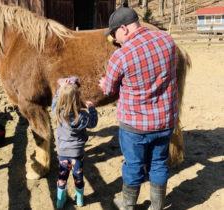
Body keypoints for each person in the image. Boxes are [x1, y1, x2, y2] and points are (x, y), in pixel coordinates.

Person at [99, 7, 178, 210]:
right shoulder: (167, 40)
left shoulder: (121, 55)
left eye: (114, 34)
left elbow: (108, 90)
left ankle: (128, 205)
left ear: (124, 28)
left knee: (133, 165)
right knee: (159, 162)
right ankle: (157, 206)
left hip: (135, 125)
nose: (115, 39)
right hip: (165, 119)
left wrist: (103, 83)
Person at [52, 77, 98, 208]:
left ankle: (60, 201)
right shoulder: (81, 116)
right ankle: (80, 200)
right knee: (78, 175)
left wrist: (60, 89)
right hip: (77, 152)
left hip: (62, 151)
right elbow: (93, 123)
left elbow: (55, 102)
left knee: (62, 175)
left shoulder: (57, 112)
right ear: (77, 99)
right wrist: (92, 109)